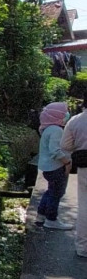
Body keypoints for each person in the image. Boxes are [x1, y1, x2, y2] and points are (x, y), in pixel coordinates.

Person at [35, 102, 74, 230]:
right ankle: (51, 219)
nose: (67, 114)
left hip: (48, 167)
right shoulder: (56, 130)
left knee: (51, 190)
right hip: (55, 167)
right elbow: (55, 151)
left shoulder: (47, 129)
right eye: (64, 112)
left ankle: (41, 215)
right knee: (57, 192)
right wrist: (67, 162)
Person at [61, 100, 87, 257]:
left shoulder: (75, 120)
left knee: (84, 206)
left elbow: (65, 145)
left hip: (85, 167)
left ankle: (83, 246)